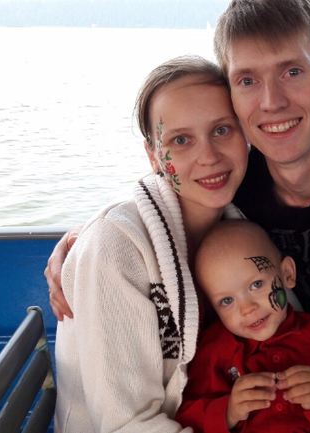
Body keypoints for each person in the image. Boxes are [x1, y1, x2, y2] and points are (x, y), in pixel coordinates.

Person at [45, 0, 310, 431]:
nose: (271, 102)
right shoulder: (234, 185)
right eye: (248, 80)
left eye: (292, 72)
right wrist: (87, 244)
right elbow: (157, 210)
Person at [52, 55, 250, 432]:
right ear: (153, 155)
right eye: (181, 140)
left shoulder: (246, 225)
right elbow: (125, 424)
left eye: (223, 130)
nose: (209, 156)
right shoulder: (114, 248)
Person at [174, 220, 310, 432]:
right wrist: (228, 412)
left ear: (287, 274)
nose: (247, 308)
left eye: (257, 284)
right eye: (227, 301)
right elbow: (186, 420)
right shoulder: (214, 350)